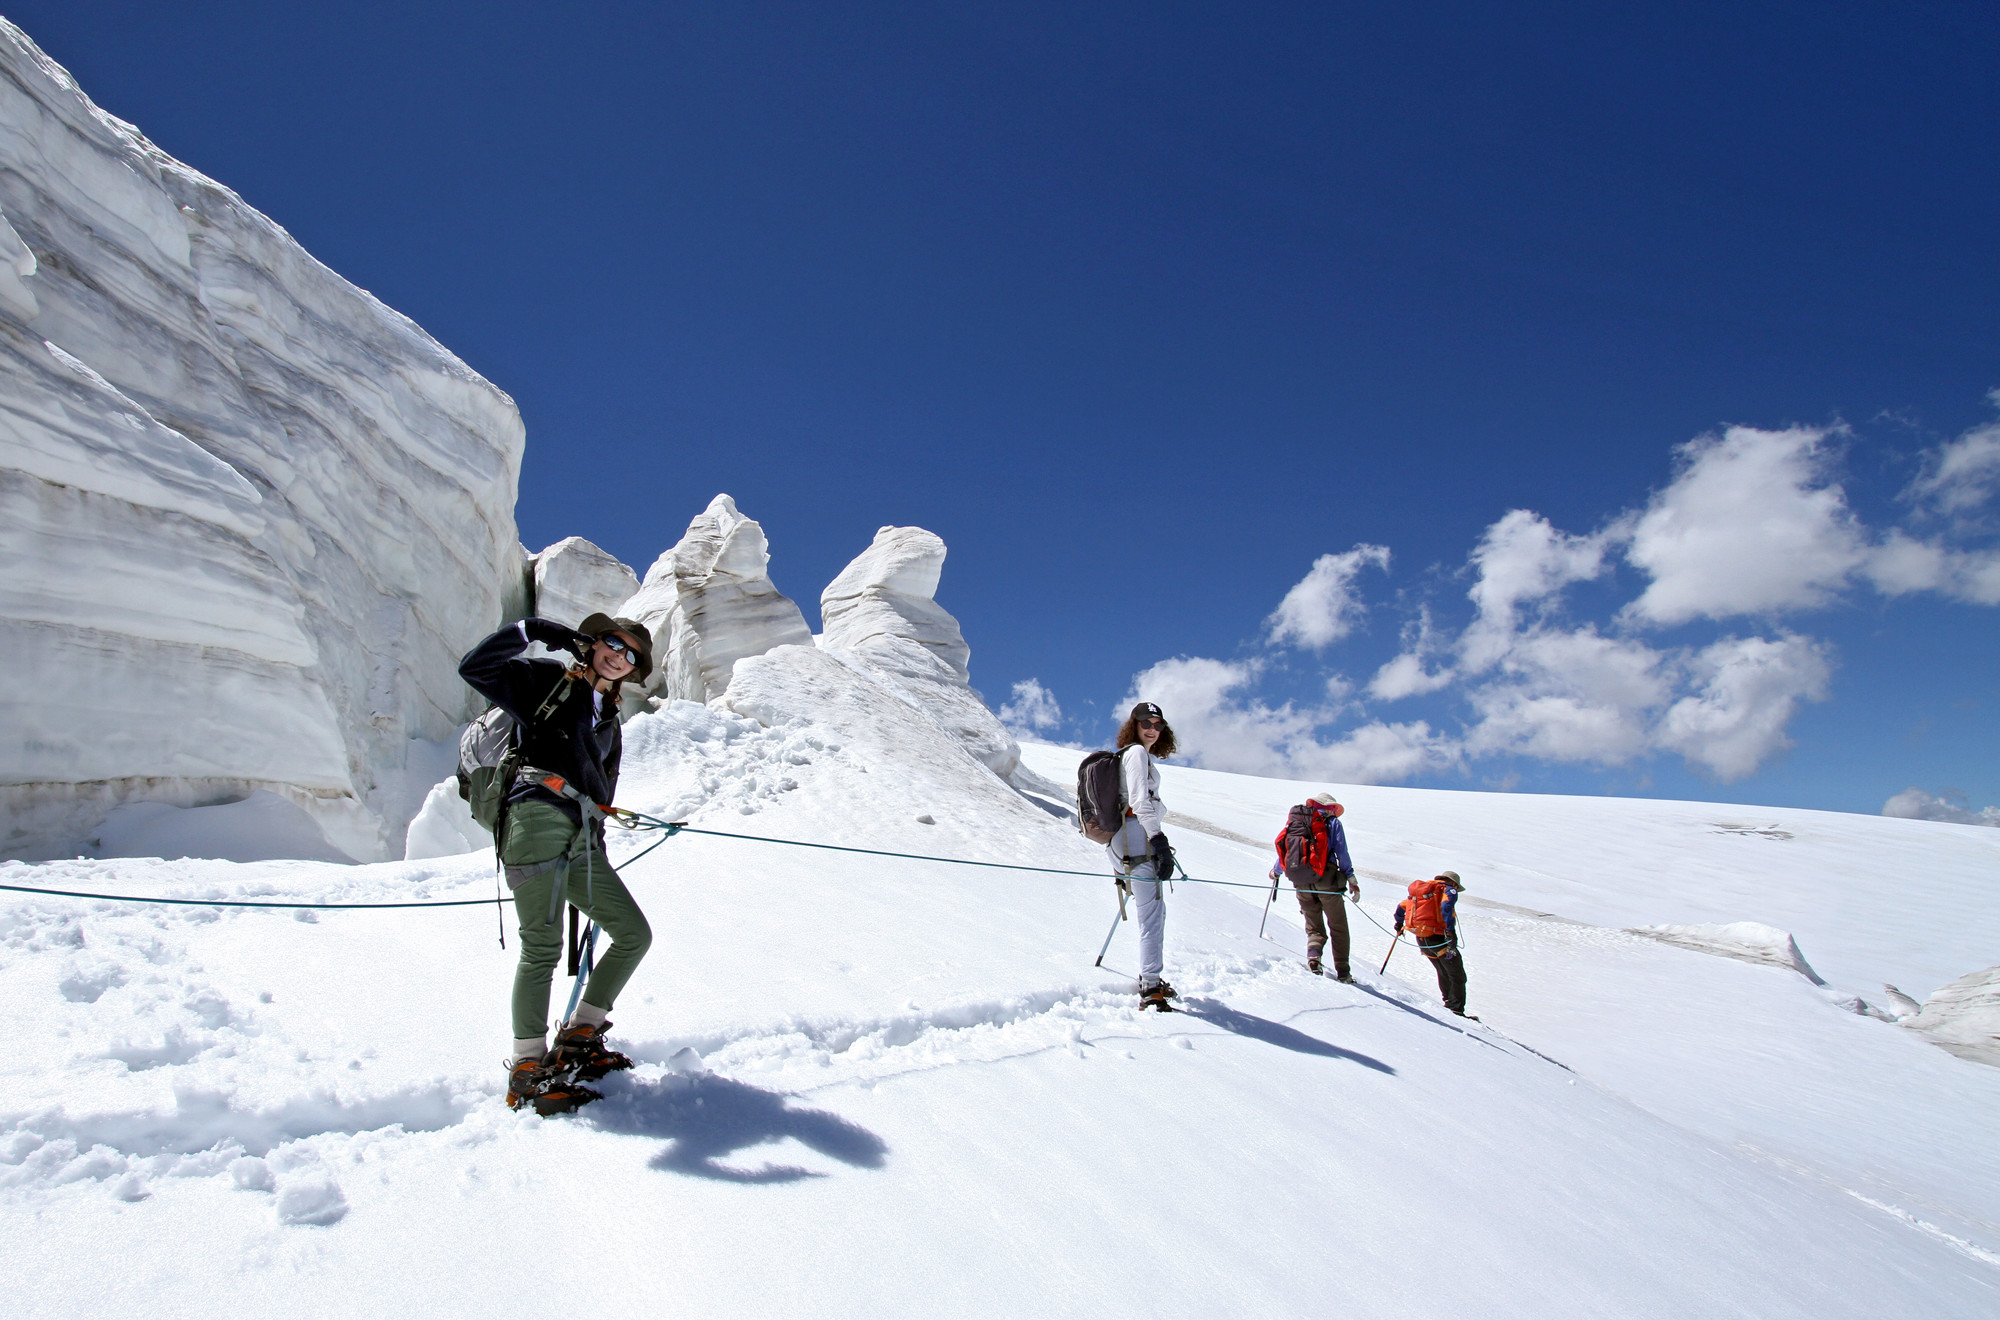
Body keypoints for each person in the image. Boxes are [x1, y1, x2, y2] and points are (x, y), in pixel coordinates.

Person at [459, 611, 657, 1113]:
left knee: (634, 933)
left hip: (583, 836)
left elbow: (603, 795)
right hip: (536, 820)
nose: (619, 656)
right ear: (593, 643)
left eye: (631, 654)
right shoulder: (548, 681)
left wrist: (599, 842)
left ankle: (579, 1039)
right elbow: (475, 669)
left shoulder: (608, 721)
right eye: (614, 642)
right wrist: (533, 631)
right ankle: (527, 1068)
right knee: (543, 946)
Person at [1107, 701, 1178, 1010]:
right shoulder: (1136, 753)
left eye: (1157, 724)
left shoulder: (1130, 756)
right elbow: (1139, 801)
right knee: (1152, 913)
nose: (1152, 729)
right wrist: (1158, 840)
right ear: (1133, 726)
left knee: (1150, 908)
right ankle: (1151, 987)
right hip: (1136, 836)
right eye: (1145, 723)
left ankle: (1151, 980)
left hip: (1121, 839)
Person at [1270, 791, 1358, 980]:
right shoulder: (1333, 823)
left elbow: (1286, 850)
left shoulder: (1298, 822)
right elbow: (1342, 852)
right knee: (1338, 927)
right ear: (1331, 807)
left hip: (1301, 880)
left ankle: (1313, 957)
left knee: (1314, 926)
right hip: (1327, 880)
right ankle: (1343, 972)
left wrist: (1276, 871)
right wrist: (1351, 878)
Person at [1394, 871, 1469, 1017]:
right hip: (1438, 938)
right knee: (1457, 975)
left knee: (1443, 971)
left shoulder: (1425, 891)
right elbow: (1446, 906)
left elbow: (1402, 907)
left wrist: (1399, 924)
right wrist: (1450, 931)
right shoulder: (1448, 890)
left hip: (1422, 939)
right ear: (1453, 883)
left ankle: (1449, 1003)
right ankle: (1456, 1010)